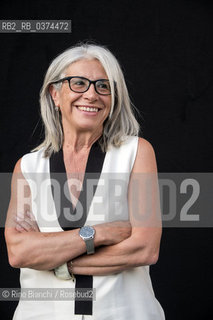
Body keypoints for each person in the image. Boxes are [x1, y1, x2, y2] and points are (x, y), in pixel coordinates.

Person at [5, 42, 165, 320]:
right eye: (78, 83)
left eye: (103, 86)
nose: (91, 95)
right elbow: (19, 253)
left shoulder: (136, 152)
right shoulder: (28, 167)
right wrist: (99, 233)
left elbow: (144, 248)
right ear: (55, 94)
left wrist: (52, 256)